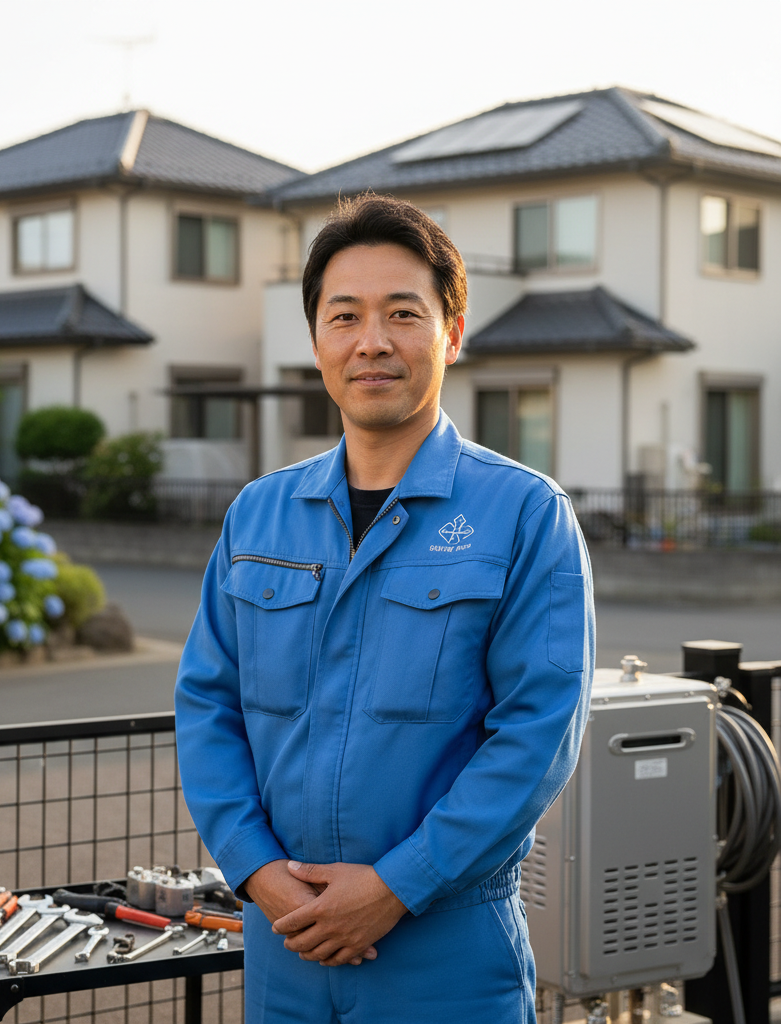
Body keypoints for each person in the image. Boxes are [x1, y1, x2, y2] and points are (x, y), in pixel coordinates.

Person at [174, 194, 594, 1023]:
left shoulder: (523, 513)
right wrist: (255, 867)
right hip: (283, 939)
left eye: (403, 313)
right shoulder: (260, 514)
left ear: (452, 333)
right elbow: (206, 705)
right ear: (318, 341)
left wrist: (400, 885)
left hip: (445, 950)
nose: (372, 341)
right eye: (345, 316)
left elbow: (539, 733)